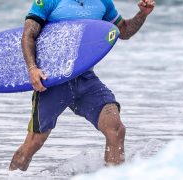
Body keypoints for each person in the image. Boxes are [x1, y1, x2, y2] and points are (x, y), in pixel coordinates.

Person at [9, 0, 155, 171]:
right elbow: (28, 35)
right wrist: (32, 69)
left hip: (85, 79)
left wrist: (142, 14)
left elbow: (123, 31)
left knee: (116, 129)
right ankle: (10, 176)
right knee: (34, 142)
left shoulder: (103, 2)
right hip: (53, 80)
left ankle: (114, 176)